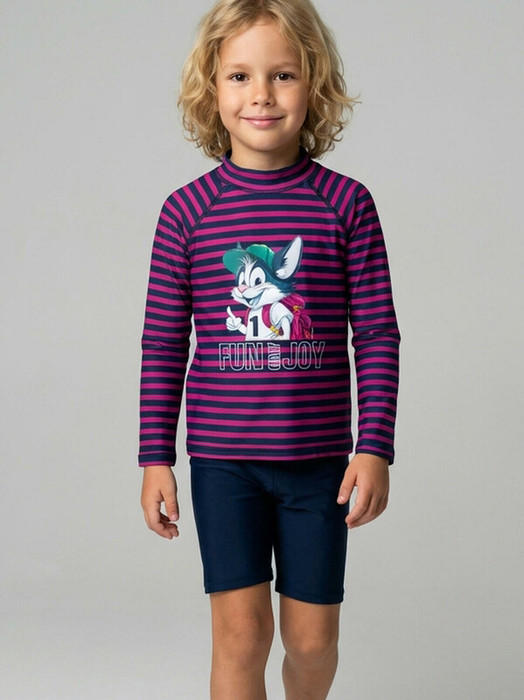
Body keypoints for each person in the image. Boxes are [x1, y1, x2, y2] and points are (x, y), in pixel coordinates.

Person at [138, 1, 400, 698]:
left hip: (319, 467)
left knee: (313, 644)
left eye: (282, 75)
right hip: (224, 464)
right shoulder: (186, 212)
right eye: (240, 76)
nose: (261, 94)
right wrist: (155, 456)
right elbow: (163, 342)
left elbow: (377, 333)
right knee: (241, 637)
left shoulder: (346, 205)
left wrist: (374, 446)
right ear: (212, 89)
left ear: (313, 84)